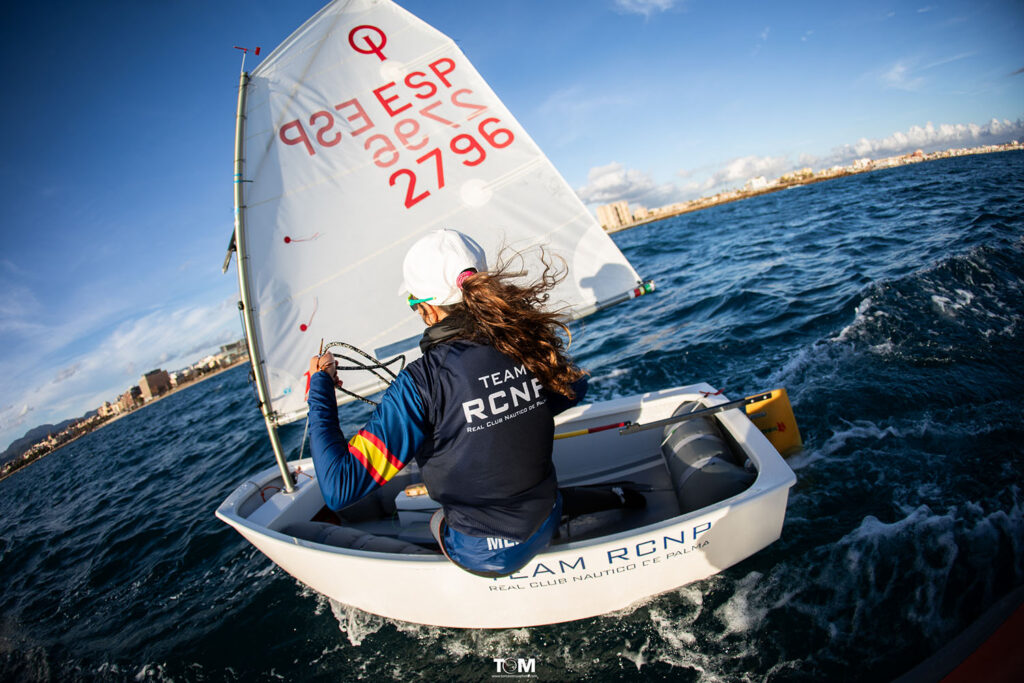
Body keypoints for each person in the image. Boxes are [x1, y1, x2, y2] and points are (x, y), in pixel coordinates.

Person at [306, 229, 639, 578]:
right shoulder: (525, 342)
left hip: (490, 556)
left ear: (427, 309)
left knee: (435, 517)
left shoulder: (420, 383)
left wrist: (320, 388)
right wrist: (503, 408)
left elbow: (339, 488)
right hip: (545, 512)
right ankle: (614, 497)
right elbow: (574, 389)